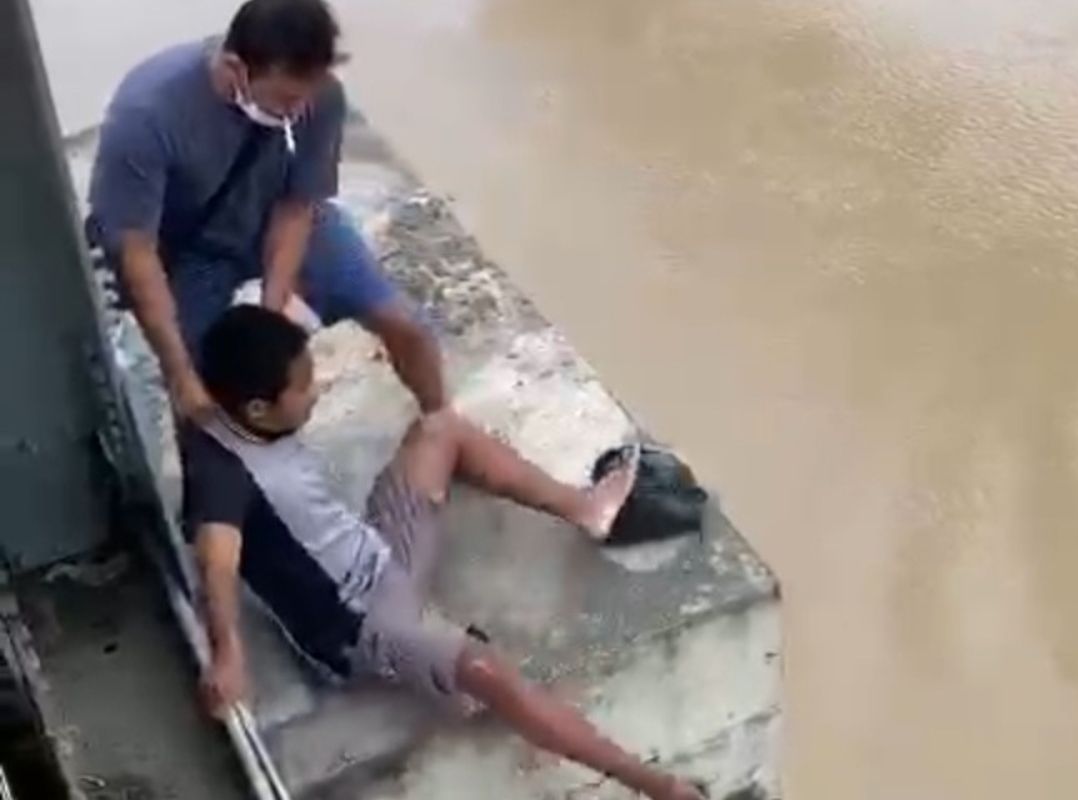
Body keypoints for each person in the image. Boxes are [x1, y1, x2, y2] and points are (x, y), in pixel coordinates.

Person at [184, 305, 704, 800]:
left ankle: (587, 508)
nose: (317, 391)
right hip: (359, 625)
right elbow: (218, 562)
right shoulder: (223, 478)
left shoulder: (232, 409)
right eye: (302, 387)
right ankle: (658, 786)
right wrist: (228, 655)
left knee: (441, 428)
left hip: (378, 553)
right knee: (487, 672)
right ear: (256, 408)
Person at [88, 0, 445, 424]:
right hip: (191, 252)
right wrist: (179, 372)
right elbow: (137, 254)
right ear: (237, 68)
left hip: (270, 211)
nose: (300, 110)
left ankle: (442, 423)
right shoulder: (146, 115)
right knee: (210, 399)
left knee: (405, 325)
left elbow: (298, 203)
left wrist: (273, 314)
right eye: (288, 98)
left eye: (310, 94)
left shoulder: (319, 93)